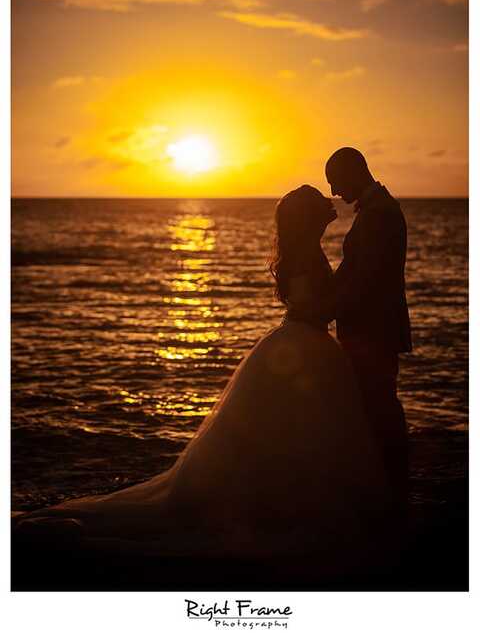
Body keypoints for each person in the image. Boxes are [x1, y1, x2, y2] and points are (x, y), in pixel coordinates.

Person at [14, 185, 392, 572]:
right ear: (307, 217)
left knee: (292, 432)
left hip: (305, 342)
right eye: (319, 205)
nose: (329, 206)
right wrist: (350, 291)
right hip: (306, 345)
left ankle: (289, 496)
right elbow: (314, 305)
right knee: (296, 430)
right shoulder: (305, 255)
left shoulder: (304, 250)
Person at [325, 147, 412, 521]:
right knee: (374, 406)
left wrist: (327, 305)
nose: (333, 191)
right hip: (368, 327)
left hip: (372, 329)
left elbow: (367, 278)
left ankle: (392, 492)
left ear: (353, 171)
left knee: (380, 406)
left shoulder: (380, 214)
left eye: (335, 181)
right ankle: (385, 487)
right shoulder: (377, 209)